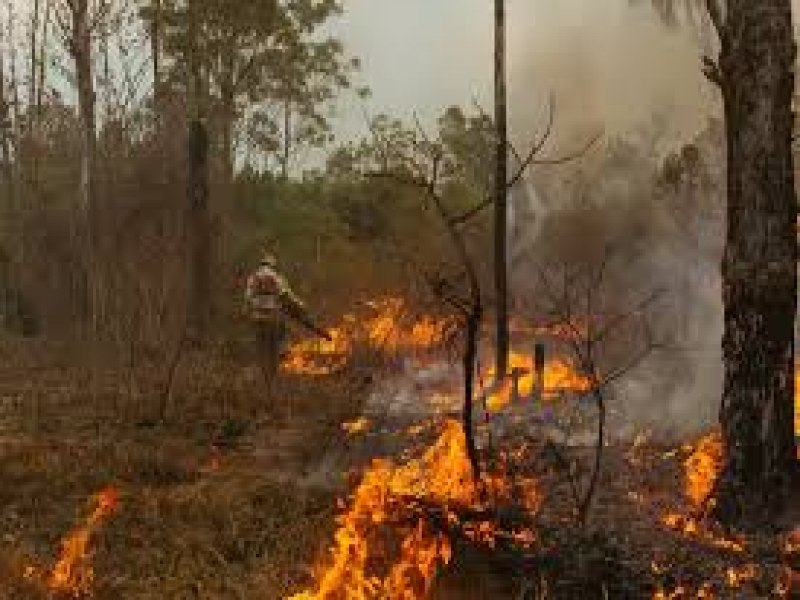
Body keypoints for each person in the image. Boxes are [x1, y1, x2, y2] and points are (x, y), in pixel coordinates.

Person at [244, 251, 306, 393]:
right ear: (273, 264)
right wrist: (300, 305)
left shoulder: (252, 278)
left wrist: (251, 311)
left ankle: (263, 377)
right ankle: (273, 378)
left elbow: (247, 298)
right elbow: (286, 295)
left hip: (257, 319)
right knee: (274, 348)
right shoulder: (276, 277)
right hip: (273, 319)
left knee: (261, 349)